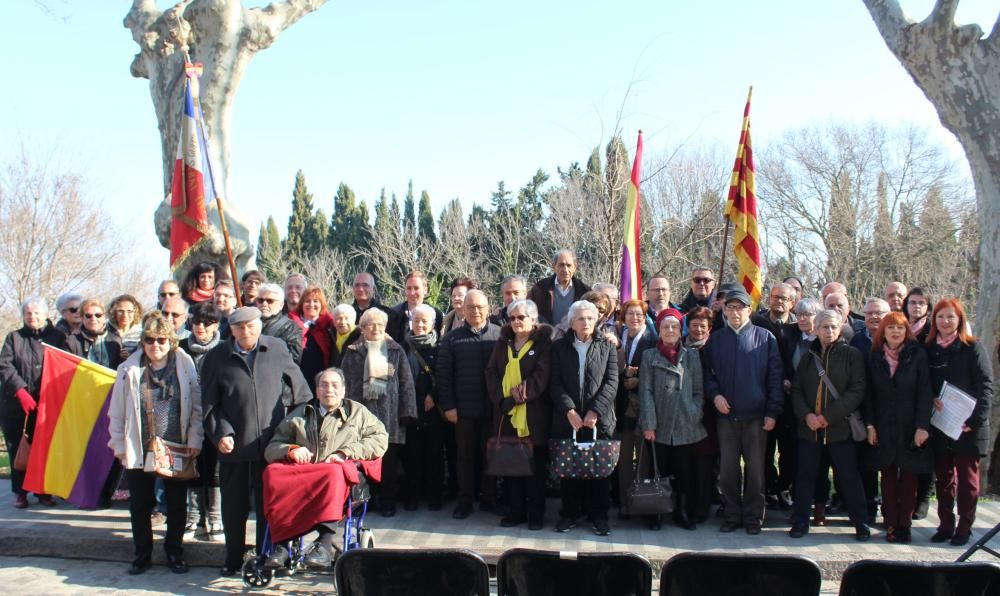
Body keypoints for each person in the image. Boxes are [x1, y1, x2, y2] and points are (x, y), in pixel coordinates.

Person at [201, 306, 312, 576]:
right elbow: (209, 403)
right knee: (234, 505)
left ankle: (267, 555)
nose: (246, 332)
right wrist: (220, 433)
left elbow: (302, 393)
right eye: (240, 328)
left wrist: (294, 431)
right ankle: (233, 555)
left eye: (251, 326)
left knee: (269, 506)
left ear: (260, 325)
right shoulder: (217, 356)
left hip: (271, 444)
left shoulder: (275, 348)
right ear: (232, 330)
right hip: (234, 443)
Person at [107, 312, 203, 575]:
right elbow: (117, 411)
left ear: (170, 341)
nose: (155, 345)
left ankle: (174, 552)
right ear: (143, 342)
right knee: (140, 504)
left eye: (161, 339)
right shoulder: (128, 369)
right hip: (140, 444)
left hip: (176, 445)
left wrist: (195, 437)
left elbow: (196, 405)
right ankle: (142, 555)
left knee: (175, 504)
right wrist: (118, 445)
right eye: (149, 339)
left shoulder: (185, 364)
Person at [263, 368, 389, 568]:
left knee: (333, 471)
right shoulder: (299, 414)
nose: (329, 389)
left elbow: (381, 440)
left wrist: (345, 453)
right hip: (307, 477)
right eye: (324, 385)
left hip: (338, 478)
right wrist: (291, 450)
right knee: (273, 472)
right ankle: (281, 545)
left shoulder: (358, 413)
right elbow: (272, 447)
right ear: (316, 390)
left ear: (344, 390)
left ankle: (324, 543)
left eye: (334, 385)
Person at [703, 288, 783, 535]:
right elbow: (707, 374)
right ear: (724, 311)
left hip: (757, 417)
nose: (735, 312)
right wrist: (715, 396)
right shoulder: (716, 340)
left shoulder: (765, 338)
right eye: (730, 307)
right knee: (728, 470)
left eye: (740, 308)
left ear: (749, 310)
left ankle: (753, 516)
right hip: (726, 417)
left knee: (756, 470)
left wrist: (772, 412)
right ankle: (732, 514)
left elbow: (775, 378)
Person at [788, 309, 871, 542]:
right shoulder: (808, 358)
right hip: (810, 430)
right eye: (825, 327)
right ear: (816, 329)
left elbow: (857, 390)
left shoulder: (851, 355)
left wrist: (828, 417)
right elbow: (797, 391)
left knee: (848, 476)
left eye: (834, 326)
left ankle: (861, 523)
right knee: (805, 476)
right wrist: (807, 416)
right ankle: (801, 521)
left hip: (840, 428)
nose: (829, 331)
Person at [926, 298, 994, 547]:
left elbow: (986, 386)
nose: (945, 322)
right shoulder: (930, 349)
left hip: (968, 425)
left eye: (950, 317)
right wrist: (932, 397)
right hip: (942, 422)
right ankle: (945, 524)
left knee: (967, 481)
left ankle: (965, 527)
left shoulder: (973, 347)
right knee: (943, 479)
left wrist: (974, 420)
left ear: (959, 320)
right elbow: (927, 384)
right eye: (940, 317)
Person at [340, 308, 417, 517]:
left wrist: (407, 412)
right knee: (363, 461)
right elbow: (343, 384)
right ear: (362, 328)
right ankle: (367, 499)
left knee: (389, 464)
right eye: (370, 325)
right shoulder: (352, 351)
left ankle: (388, 501)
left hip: (389, 416)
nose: (375, 328)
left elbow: (407, 383)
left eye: (380, 325)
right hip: (360, 416)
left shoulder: (395, 350)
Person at [550, 300, 618, 536]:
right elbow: (555, 382)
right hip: (568, 419)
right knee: (570, 469)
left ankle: (598, 516)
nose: (586, 322)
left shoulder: (607, 346)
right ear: (571, 322)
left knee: (598, 470)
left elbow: (611, 382)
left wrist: (595, 411)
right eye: (580, 318)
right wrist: (569, 410)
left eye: (590, 318)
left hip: (599, 420)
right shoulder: (559, 347)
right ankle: (569, 513)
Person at [485, 299, 554, 530]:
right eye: (512, 317)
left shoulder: (543, 343)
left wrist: (516, 398)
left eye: (521, 317)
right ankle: (516, 512)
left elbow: (541, 377)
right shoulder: (503, 342)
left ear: (533, 319)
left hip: (533, 416)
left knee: (534, 468)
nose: (515, 321)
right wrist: (500, 399)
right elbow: (491, 371)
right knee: (512, 464)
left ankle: (536, 514)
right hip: (505, 414)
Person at [864, 312, 933, 543]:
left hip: (910, 425)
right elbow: (869, 396)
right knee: (889, 476)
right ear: (883, 331)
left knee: (909, 477)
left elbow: (925, 392)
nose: (895, 332)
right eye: (891, 327)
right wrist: (870, 425)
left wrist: (922, 426)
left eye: (900, 328)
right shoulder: (874, 356)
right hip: (884, 425)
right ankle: (891, 522)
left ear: (907, 332)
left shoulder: (917, 355)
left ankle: (905, 524)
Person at [436, 289, 501, 519]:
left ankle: (489, 498)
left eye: (480, 307)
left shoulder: (499, 334)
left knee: (491, 455)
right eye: (470, 307)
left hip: (493, 409)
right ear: (463, 309)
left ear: (488, 308)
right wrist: (448, 406)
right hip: (463, 410)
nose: (475, 311)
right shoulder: (451, 338)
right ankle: (464, 500)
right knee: (464, 456)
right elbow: (443, 376)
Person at [639, 308, 705, 531]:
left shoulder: (692, 356)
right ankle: (656, 512)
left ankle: (682, 511)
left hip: (685, 420)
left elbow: (698, 390)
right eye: (666, 326)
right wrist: (648, 423)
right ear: (659, 330)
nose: (670, 330)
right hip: (659, 421)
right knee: (659, 469)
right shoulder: (649, 355)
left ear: (680, 330)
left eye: (674, 326)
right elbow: (645, 391)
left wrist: (695, 412)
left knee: (684, 471)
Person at [0, 297, 67, 508]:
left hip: (47, 402)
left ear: (45, 314)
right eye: (28, 313)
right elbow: (5, 366)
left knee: (44, 449)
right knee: (19, 448)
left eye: (36, 313)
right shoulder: (14, 338)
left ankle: (43, 491)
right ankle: (20, 491)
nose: (32, 317)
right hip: (16, 404)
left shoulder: (57, 337)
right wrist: (20, 390)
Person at [178, 302, 224, 541]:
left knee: (215, 468)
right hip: (187, 415)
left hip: (216, 414)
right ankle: (193, 517)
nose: (201, 328)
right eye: (197, 322)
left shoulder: (224, 349)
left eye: (207, 323)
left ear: (216, 325)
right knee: (193, 467)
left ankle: (215, 517)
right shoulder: (180, 347)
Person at [612, 298, 657, 518]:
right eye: (630, 314)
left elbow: (656, 370)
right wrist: (624, 375)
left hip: (643, 408)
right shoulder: (617, 339)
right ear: (624, 317)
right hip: (620, 408)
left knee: (643, 459)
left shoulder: (652, 339)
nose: (635, 317)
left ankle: (644, 504)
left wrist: (638, 378)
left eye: (639, 314)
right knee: (623, 460)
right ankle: (624, 504)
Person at [402, 304, 445, 511]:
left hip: (433, 408)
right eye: (416, 320)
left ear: (433, 324)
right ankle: (412, 496)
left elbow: (445, 375)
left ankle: (434, 496)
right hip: (410, 407)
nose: (419, 324)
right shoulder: (403, 346)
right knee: (412, 456)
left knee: (434, 455)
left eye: (424, 321)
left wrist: (434, 396)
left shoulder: (440, 347)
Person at [685, 307, 719, 522]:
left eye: (703, 326)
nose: (698, 329)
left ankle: (702, 507)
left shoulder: (714, 348)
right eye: (695, 325)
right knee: (686, 462)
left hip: (708, 413)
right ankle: (686, 503)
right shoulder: (679, 345)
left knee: (704, 463)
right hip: (681, 412)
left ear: (709, 329)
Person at [528, 249, 591, 325]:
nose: (565, 269)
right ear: (554, 267)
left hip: (574, 335)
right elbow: (530, 312)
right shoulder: (540, 288)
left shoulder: (584, 290)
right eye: (561, 265)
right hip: (547, 334)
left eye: (569, 265)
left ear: (575, 268)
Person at [293, 286, 335, 393]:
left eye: (316, 301)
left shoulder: (330, 326)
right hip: (297, 380)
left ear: (321, 305)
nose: (311, 304)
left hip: (322, 380)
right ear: (301, 305)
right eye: (307, 301)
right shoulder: (291, 325)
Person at [66, 298, 125, 370]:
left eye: (98, 315)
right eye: (88, 316)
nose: (93, 319)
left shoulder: (116, 341)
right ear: (82, 318)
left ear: (104, 317)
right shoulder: (72, 342)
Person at [388, 271, 444, 343]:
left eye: (416, 288)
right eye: (409, 288)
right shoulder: (394, 314)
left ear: (425, 290)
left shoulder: (437, 315)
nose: (412, 293)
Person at [255, 283, 304, 364]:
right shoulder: (248, 322)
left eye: (270, 301)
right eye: (260, 300)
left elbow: (293, 358)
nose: (264, 304)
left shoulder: (291, 328)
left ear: (281, 305)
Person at [108, 294, 144, 359]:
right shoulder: (104, 329)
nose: (125, 315)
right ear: (114, 312)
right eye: (120, 311)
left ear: (135, 313)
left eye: (129, 311)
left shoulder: (141, 333)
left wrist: (131, 356)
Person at [329, 304, 361, 368]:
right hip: (334, 374)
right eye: (339, 318)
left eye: (346, 318)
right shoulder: (330, 334)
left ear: (353, 320)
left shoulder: (360, 336)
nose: (343, 322)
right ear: (334, 321)